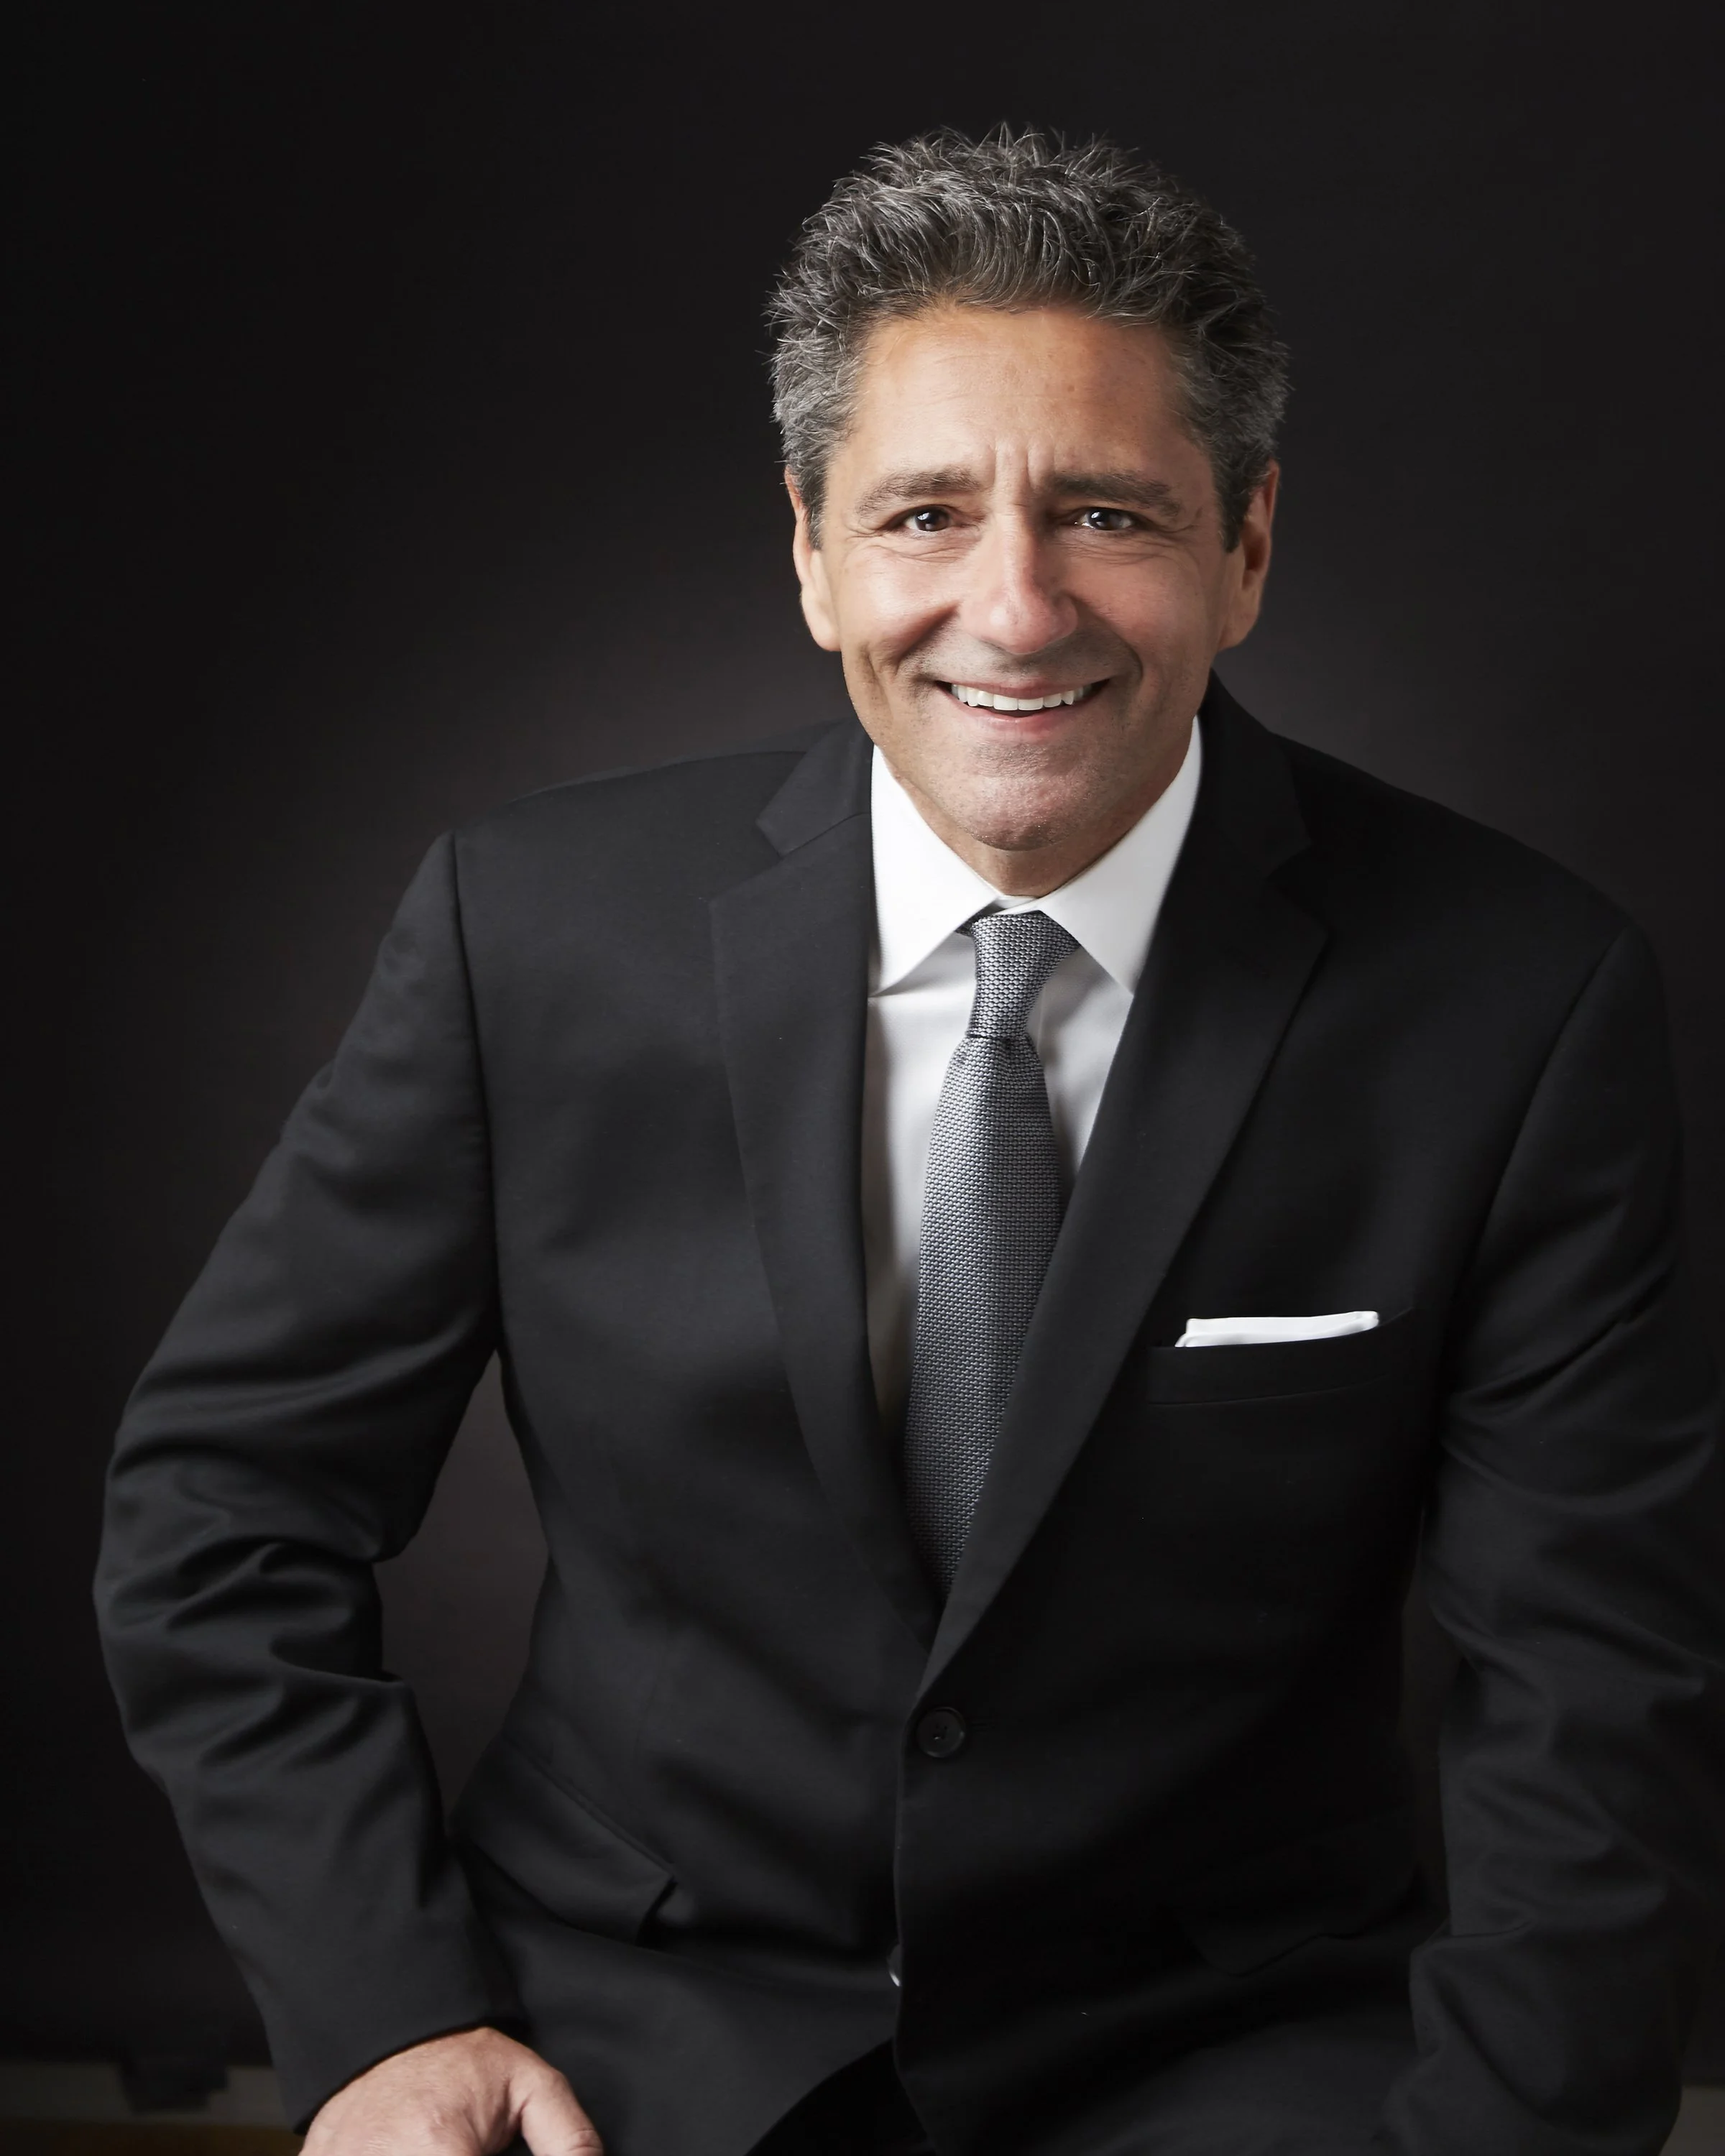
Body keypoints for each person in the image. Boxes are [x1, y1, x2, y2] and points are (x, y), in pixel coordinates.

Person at [96, 128, 1725, 2156]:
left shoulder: (1520, 999)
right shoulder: (525, 937)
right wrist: (379, 2021)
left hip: (1234, 2058)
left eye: (1109, 512)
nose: (1014, 609)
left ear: (1248, 545)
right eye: (927, 512)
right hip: (611, 2035)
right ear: (809, 550)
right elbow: (225, 1507)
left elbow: (1599, 1697)